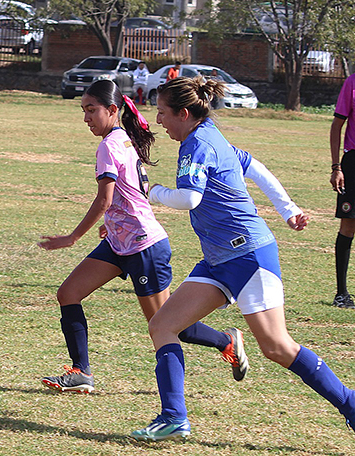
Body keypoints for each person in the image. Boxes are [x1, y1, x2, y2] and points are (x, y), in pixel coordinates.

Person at [130, 76, 355, 441]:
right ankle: (174, 418)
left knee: (277, 347)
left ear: (183, 114)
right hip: (218, 261)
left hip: (249, 257)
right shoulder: (208, 134)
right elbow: (255, 167)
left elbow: (189, 199)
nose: (158, 121)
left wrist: (150, 191)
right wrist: (289, 210)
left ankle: (351, 405)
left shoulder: (197, 143)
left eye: (162, 113)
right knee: (162, 325)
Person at [37, 79, 248, 394]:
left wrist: (72, 237)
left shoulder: (110, 144)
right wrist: (113, 222)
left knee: (167, 325)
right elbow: (132, 192)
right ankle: (81, 372)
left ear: (112, 110)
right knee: (68, 293)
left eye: (91, 110)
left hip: (144, 247)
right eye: (83, 110)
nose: (86, 118)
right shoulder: (123, 138)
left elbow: (105, 199)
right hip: (119, 242)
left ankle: (225, 341)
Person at [330, 73, 355, 309]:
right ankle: (342, 294)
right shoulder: (352, 83)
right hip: (353, 163)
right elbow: (337, 124)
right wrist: (337, 167)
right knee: (348, 226)